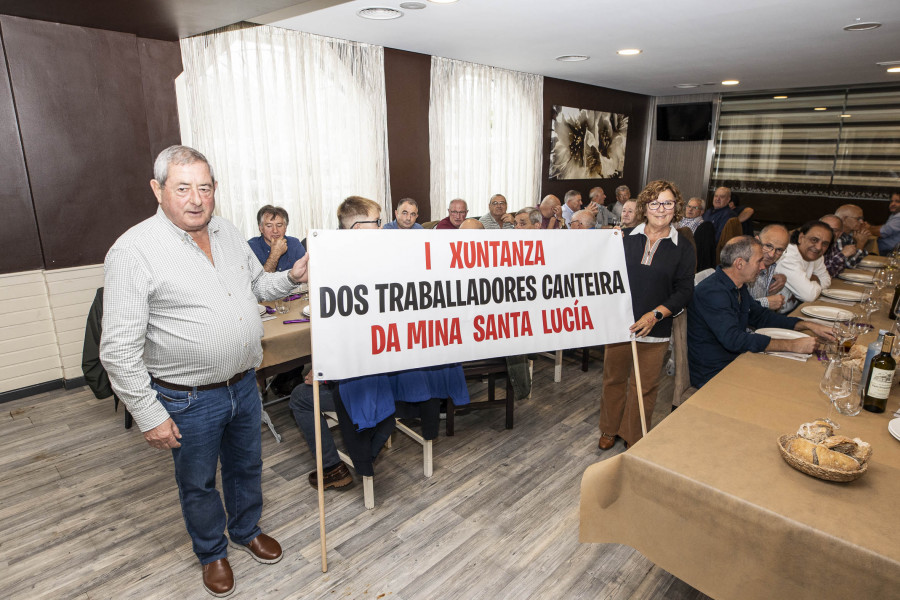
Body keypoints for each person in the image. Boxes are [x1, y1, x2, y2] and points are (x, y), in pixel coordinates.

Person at [101, 146, 307, 597]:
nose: (196, 199)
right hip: (186, 397)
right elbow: (117, 349)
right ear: (157, 191)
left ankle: (246, 529)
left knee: (246, 465)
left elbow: (258, 286)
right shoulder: (133, 250)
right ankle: (212, 552)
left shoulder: (228, 232)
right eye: (183, 188)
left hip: (244, 384)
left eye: (205, 187)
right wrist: (148, 413)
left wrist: (292, 276)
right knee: (197, 482)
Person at [599, 180, 695, 451]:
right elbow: (604, 277)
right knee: (613, 379)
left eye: (667, 202)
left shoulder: (683, 247)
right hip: (619, 325)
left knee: (645, 386)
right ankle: (609, 428)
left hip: (655, 327)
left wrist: (655, 315)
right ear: (644, 207)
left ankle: (633, 433)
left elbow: (685, 290)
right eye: (654, 203)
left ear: (675, 207)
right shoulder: (623, 238)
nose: (660, 209)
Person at [687, 236, 833, 389]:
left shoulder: (738, 284)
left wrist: (807, 324)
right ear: (739, 264)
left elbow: (761, 317)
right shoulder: (712, 292)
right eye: (759, 261)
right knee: (794, 384)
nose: (763, 266)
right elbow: (734, 340)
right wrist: (792, 346)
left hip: (737, 361)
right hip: (716, 373)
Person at [289, 369, 352, 490]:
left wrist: (322, 373)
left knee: (298, 397)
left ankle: (332, 468)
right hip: (391, 388)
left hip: (361, 392)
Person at [774, 220, 833, 313]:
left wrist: (810, 282)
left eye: (825, 244)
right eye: (814, 240)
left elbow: (827, 280)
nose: (818, 247)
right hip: (778, 315)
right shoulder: (788, 257)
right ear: (801, 237)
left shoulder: (817, 256)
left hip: (793, 308)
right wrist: (814, 279)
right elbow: (809, 295)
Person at [247, 205, 307, 273]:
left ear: (285, 227)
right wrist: (275, 254)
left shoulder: (294, 243)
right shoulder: (251, 247)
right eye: (269, 226)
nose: (275, 230)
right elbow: (260, 282)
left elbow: (306, 274)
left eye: (279, 225)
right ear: (261, 228)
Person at [746, 224, 790, 311]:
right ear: (756, 240)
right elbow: (733, 308)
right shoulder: (743, 266)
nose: (771, 254)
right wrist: (766, 302)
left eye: (779, 250)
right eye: (768, 246)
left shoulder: (773, 267)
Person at [834, 203, 870, 268]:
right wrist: (860, 244)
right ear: (844, 219)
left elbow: (863, 256)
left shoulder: (849, 235)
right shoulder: (837, 236)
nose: (862, 222)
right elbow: (847, 265)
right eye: (858, 219)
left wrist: (857, 242)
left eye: (862, 218)